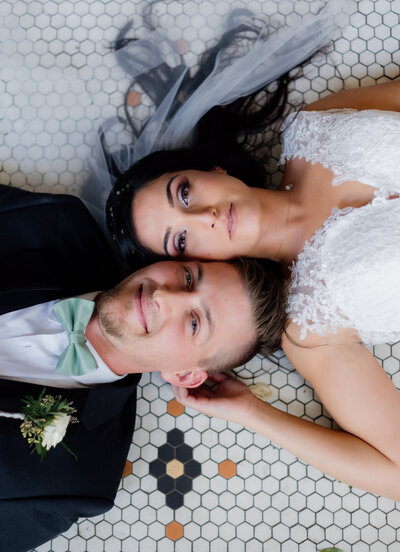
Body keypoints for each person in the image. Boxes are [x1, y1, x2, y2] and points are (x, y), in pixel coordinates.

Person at [106, 49, 400, 500]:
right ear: (198, 266)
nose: (203, 216)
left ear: (211, 170)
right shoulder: (310, 323)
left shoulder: (314, 126)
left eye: (184, 193)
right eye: (181, 240)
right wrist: (253, 412)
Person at [0, 183, 286, 551]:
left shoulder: (78, 481)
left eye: (195, 323)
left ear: (184, 375)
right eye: (187, 277)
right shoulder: (57, 224)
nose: (163, 297)